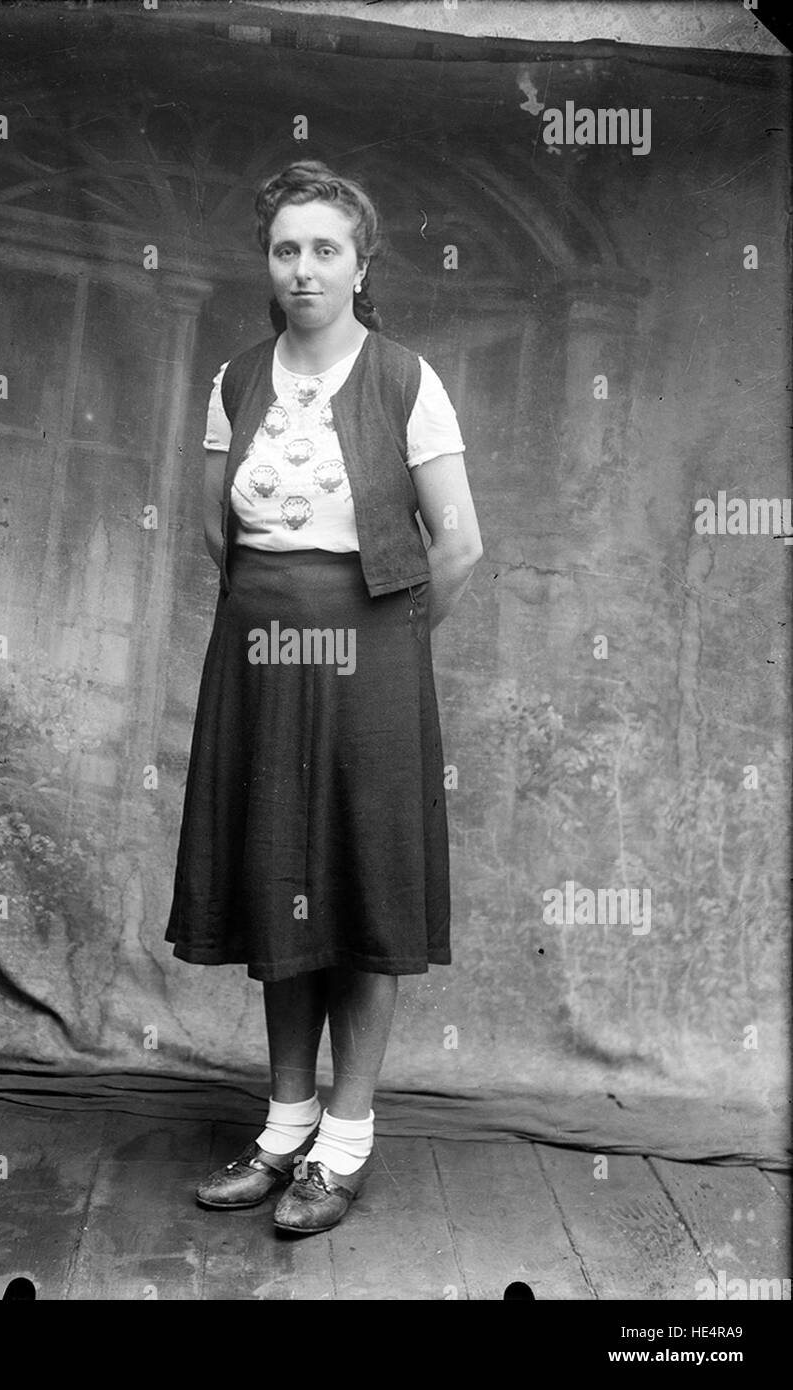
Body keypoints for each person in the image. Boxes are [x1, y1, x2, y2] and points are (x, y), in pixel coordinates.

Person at [165, 160, 483, 1234]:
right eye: (285, 249)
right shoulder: (234, 376)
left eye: (324, 250)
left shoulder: (405, 380)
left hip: (369, 668)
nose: (303, 268)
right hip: (256, 658)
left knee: (360, 891)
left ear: (359, 263)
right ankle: (281, 1124)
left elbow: (459, 545)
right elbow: (217, 527)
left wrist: (379, 649)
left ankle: (344, 1141)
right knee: (276, 880)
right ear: (269, 262)